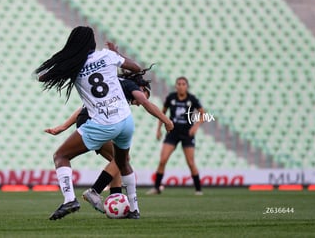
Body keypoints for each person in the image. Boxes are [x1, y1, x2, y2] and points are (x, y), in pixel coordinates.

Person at [35, 26, 172, 220]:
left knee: (61, 155)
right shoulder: (107, 56)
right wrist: (117, 53)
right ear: (92, 43)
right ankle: (134, 209)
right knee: (123, 162)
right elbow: (136, 68)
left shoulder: (75, 65)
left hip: (102, 123)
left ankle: (70, 200)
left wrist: (64, 63)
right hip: (125, 121)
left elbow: (42, 78)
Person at [147, 76, 205, 195]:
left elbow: (203, 114)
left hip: (187, 133)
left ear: (187, 86)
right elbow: (161, 113)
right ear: (176, 86)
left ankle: (198, 189)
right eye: (179, 84)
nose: (181, 86)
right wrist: (158, 129)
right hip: (172, 133)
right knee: (163, 160)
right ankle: (157, 188)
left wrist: (195, 126)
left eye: (183, 84)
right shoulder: (171, 97)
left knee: (190, 162)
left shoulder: (192, 99)